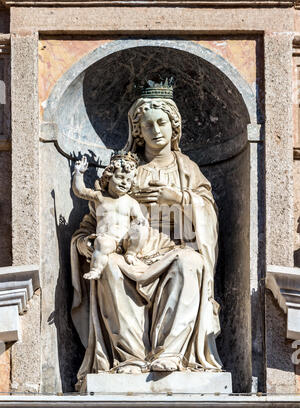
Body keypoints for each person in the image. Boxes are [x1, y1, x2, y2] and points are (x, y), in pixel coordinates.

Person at [71, 80, 223, 391]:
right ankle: (131, 358)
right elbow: (97, 217)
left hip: (173, 249)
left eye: (162, 122)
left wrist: (178, 197)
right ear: (137, 131)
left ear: (174, 125)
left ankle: (170, 353)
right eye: (147, 124)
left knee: (190, 264)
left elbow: (208, 213)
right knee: (109, 267)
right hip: (130, 253)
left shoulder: (187, 169)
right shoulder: (125, 171)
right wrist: (85, 243)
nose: (156, 130)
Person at [72, 152, 148, 280]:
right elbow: (80, 191)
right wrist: (79, 173)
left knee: (142, 227)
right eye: (120, 177)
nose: (124, 182)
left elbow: (139, 217)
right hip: (109, 239)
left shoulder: (131, 201)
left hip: (126, 241)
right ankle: (96, 270)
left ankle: (131, 253)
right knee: (102, 243)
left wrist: (140, 222)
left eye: (128, 180)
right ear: (108, 177)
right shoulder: (100, 196)